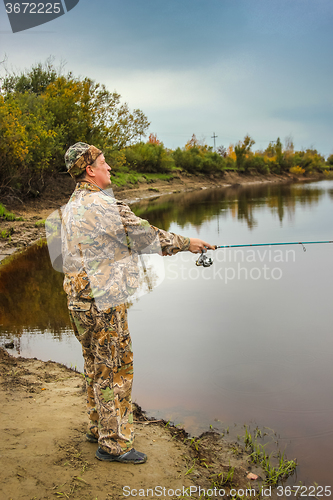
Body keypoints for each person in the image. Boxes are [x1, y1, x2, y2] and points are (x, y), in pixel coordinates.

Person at [61, 142, 215, 464]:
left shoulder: (71, 206)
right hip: (102, 304)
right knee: (116, 368)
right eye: (104, 162)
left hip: (78, 303)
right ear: (89, 169)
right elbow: (147, 236)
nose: (109, 167)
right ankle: (114, 444)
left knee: (95, 365)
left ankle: (97, 427)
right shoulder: (103, 205)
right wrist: (189, 243)